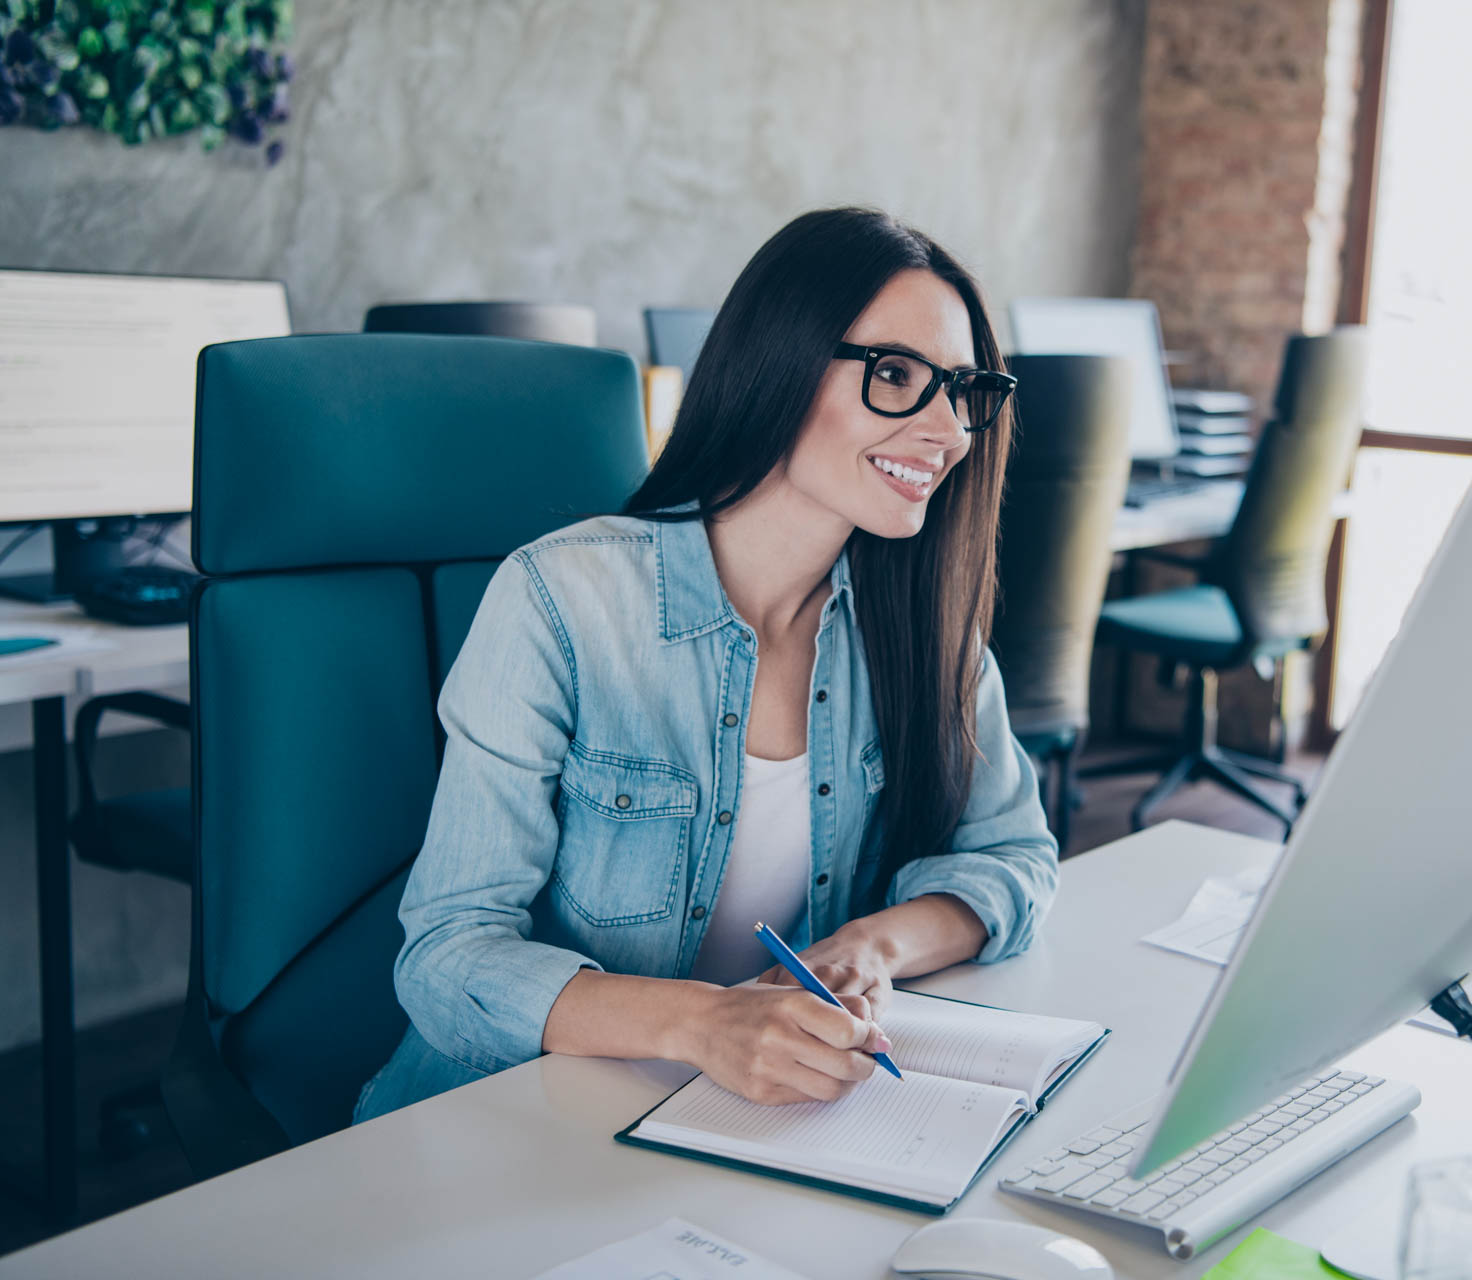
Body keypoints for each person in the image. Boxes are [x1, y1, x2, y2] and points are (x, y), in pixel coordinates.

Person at [354, 208, 1058, 1121]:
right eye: (895, 376)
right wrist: (702, 1024)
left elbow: (1014, 858)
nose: (949, 431)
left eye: (963, 391)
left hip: (735, 1123)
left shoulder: (924, 628)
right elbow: (448, 956)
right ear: (780, 362)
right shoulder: (562, 600)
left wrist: (870, 948)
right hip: (508, 1122)